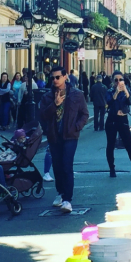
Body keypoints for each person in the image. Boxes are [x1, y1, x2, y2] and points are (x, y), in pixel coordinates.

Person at [38, 67, 89, 214]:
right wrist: (55, 104)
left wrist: (77, 127)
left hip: (70, 136)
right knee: (57, 167)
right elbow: (43, 116)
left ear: (65, 77)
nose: (55, 80)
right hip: (54, 136)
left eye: (58, 77)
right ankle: (60, 193)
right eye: (52, 77)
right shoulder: (47, 97)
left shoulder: (76, 95)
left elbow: (84, 114)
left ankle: (68, 199)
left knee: (67, 165)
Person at [105, 71, 131, 178]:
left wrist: (125, 90)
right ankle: (112, 169)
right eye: (116, 80)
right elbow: (109, 102)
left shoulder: (127, 90)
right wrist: (116, 92)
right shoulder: (110, 91)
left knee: (129, 145)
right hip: (112, 120)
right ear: (113, 81)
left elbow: (130, 101)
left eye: (120, 79)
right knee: (110, 145)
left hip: (123, 120)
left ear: (124, 81)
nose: (118, 82)